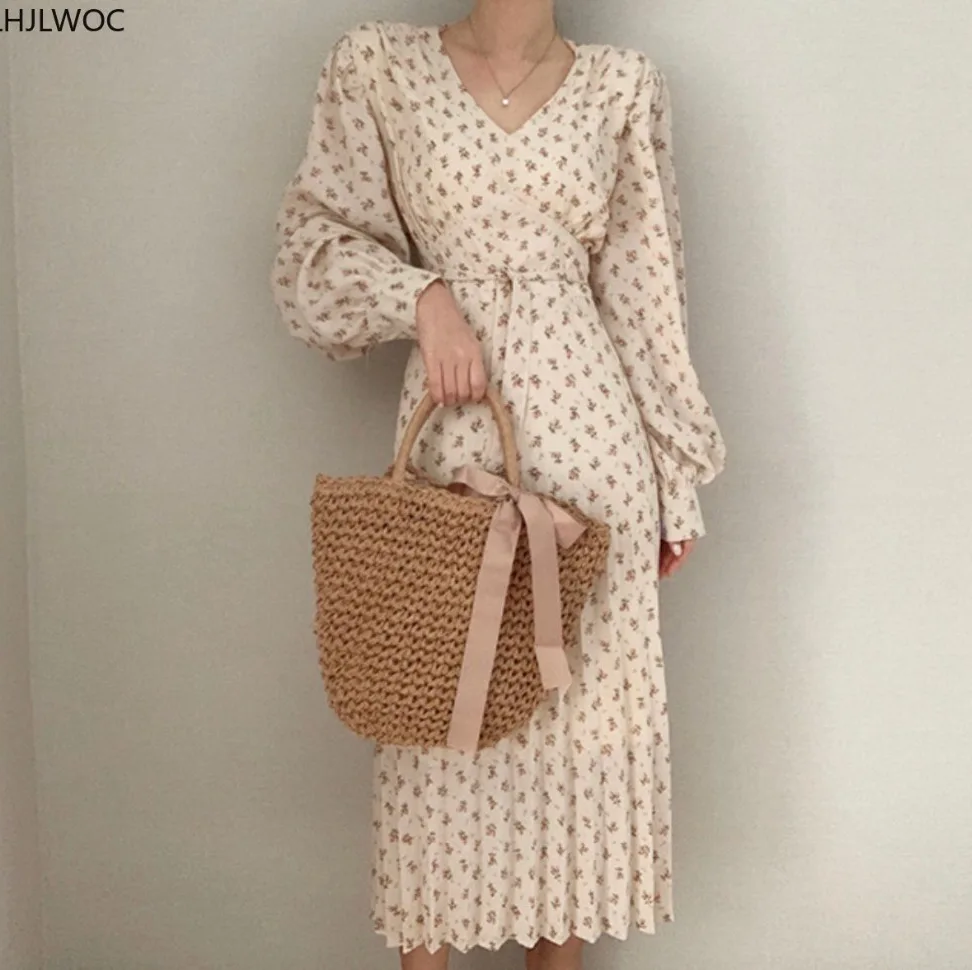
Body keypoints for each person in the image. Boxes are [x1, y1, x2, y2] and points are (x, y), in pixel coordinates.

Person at [269, 3, 726, 967]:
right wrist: (423, 297)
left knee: (576, 745)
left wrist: (674, 480)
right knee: (437, 714)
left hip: (594, 457)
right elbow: (310, 249)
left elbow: (646, 294)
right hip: (453, 443)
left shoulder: (623, 86)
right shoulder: (379, 67)